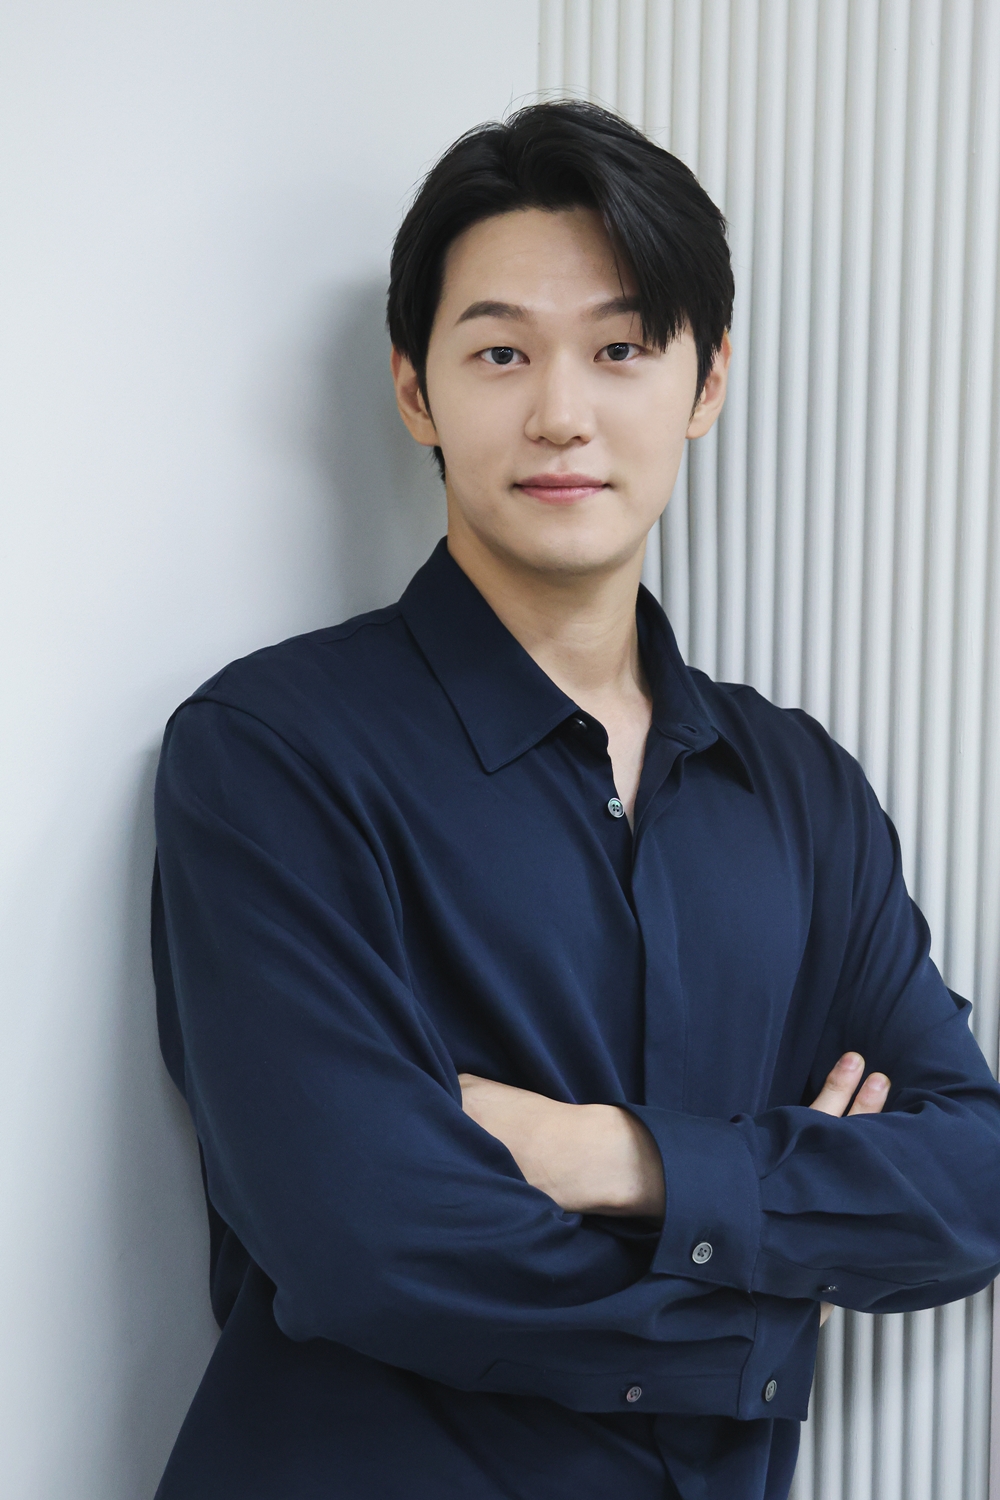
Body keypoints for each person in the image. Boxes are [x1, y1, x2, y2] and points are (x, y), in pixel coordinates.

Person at [150, 102, 1000, 1500]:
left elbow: (968, 1181)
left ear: (706, 382)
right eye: (501, 352)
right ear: (416, 391)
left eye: (621, 349)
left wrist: (612, 1157)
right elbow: (369, 1235)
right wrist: (769, 1299)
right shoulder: (272, 754)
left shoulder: (801, 789)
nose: (560, 414)